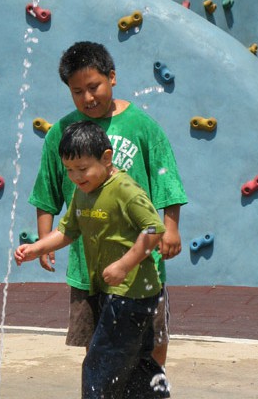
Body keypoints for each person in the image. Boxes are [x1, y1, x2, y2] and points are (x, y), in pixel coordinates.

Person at [28, 41, 187, 398]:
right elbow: (47, 189)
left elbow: (165, 177)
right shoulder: (62, 132)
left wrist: (171, 227)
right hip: (90, 267)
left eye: (94, 86)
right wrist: (43, 240)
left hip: (141, 262)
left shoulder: (141, 125)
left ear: (112, 77)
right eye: (77, 91)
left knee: (151, 342)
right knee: (98, 347)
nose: (87, 97)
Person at [16, 120, 167, 397]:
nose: (75, 176)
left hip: (132, 292)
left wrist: (124, 264)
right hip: (109, 290)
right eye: (70, 170)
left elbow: (154, 229)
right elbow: (68, 230)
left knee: (100, 364)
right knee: (136, 362)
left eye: (82, 169)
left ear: (107, 158)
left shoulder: (124, 190)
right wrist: (36, 248)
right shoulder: (83, 191)